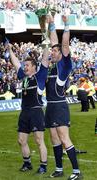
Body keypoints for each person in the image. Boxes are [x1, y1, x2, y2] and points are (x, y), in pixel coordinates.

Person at [45, 14, 82, 179]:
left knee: (63, 137)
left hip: (60, 106)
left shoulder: (64, 65)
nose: (52, 52)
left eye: (54, 50)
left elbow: (64, 44)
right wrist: (51, 23)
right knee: (54, 138)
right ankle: (59, 169)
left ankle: (76, 172)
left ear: (61, 53)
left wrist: (66, 26)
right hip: (50, 106)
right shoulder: (52, 66)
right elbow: (55, 40)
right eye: (52, 50)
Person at [7, 43, 49, 174]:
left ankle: (43, 166)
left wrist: (46, 44)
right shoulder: (24, 77)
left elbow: (45, 59)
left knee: (38, 140)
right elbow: (15, 63)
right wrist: (9, 50)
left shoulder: (40, 76)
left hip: (36, 111)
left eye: (27, 65)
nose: (24, 67)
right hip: (24, 112)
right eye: (24, 65)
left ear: (34, 68)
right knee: (21, 140)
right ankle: (27, 163)